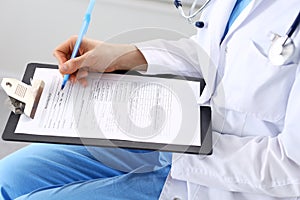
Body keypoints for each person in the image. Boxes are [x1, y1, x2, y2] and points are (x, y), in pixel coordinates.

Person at [1, 0, 300, 199]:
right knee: (7, 180)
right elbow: (220, 52)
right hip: (169, 139)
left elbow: (293, 169)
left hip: (227, 179)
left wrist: (175, 141)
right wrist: (125, 55)